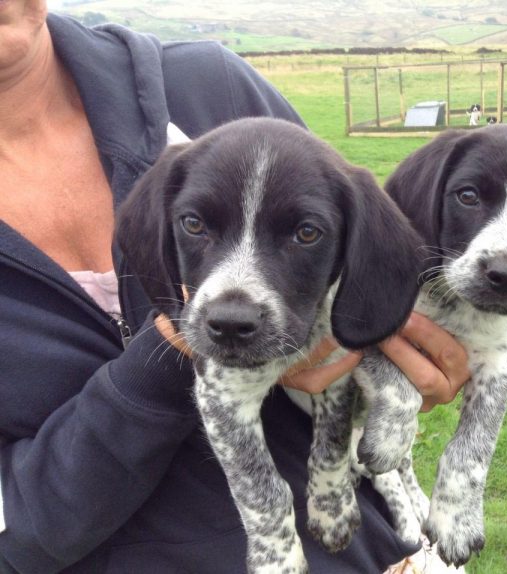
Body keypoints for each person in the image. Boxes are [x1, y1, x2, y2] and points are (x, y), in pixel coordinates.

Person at [0, 3, 470, 573]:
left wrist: (394, 362)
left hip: (363, 552)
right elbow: (18, 531)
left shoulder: (207, 86)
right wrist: (159, 363)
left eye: (301, 232)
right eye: (195, 225)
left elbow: (361, 254)